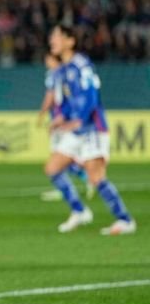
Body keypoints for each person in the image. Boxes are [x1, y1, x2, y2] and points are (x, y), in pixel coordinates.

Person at [43, 25, 136, 235]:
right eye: (52, 36)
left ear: (70, 41)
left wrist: (78, 120)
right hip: (76, 129)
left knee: (96, 178)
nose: (52, 40)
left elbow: (91, 96)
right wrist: (60, 118)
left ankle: (125, 220)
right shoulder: (64, 69)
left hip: (92, 127)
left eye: (57, 36)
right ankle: (80, 211)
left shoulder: (81, 65)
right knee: (53, 168)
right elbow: (70, 102)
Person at [38, 53, 93, 202]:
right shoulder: (64, 73)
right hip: (63, 117)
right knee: (60, 156)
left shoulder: (57, 74)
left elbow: (52, 96)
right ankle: (68, 185)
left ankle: (87, 176)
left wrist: (45, 114)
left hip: (62, 118)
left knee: (60, 156)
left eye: (48, 59)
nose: (46, 62)